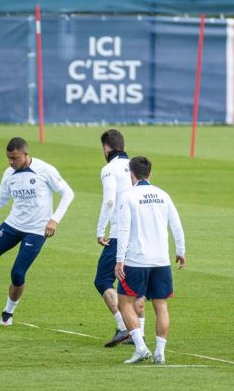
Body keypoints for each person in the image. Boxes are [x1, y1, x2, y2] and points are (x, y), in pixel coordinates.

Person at [0, 137, 75, 325]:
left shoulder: (44, 170)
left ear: (25, 154)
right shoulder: (9, 173)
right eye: (8, 158)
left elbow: (68, 193)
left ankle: (8, 312)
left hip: (37, 231)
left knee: (17, 274)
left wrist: (54, 220)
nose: (11, 162)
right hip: (12, 225)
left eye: (15, 158)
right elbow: (1, 199)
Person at [115, 156, 185, 365]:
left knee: (124, 303)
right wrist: (180, 250)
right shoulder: (163, 195)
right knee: (161, 306)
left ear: (131, 174)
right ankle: (160, 353)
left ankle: (141, 348)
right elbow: (176, 225)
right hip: (161, 260)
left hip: (137, 260)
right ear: (150, 173)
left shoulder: (128, 196)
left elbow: (123, 229)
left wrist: (119, 259)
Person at [93, 129, 145, 347]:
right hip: (140, 233)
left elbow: (109, 201)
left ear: (106, 148)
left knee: (103, 279)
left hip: (119, 233)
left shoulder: (108, 169)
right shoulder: (135, 167)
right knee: (134, 282)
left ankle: (124, 327)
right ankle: (139, 332)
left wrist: (100, 230)